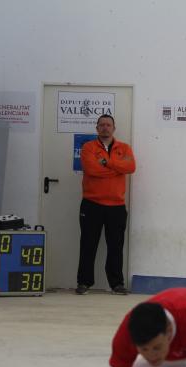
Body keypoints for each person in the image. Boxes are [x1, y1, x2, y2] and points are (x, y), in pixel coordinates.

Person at [76, 114, 135, 295]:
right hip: (91, 204)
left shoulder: (124, 148)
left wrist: (107, 163)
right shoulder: (88, 147)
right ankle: (84, 282)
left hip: (116, 207)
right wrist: (116, 169)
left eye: (108, 125)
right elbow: (91, 169)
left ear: (114, 128)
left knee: (116, 247)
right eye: (101, 125)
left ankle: (116, 283)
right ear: (97, 128)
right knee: (88, 245)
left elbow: (130, 167)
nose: (105, 128)